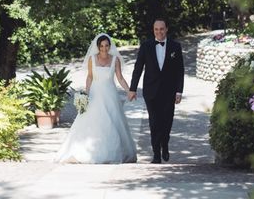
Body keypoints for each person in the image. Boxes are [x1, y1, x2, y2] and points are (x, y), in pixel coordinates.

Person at [55, 33, 137, 163]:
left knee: (113, 122)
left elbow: (120, 78)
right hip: (94, 94)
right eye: (102, 46)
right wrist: (86, 95)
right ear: (98, 47)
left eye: (106, 46)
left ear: (110, 46)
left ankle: (113, 153)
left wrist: (129, 91)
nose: (104, 48)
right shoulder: (92, 59)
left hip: (110, 95)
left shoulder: (115, 59)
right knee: (92, 121)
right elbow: (90, 77)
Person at [128, 18, 185, 164]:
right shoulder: (146, 46)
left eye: (161, 29)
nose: (159, 32)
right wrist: (132, 88)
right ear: (153, 30)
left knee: (167, 122)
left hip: (169, 91)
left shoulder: (175, 46)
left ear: (166, 29)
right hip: (151, 91)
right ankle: (156, 154)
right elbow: (138, 68)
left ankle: (164, 144)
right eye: (156, 29)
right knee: (154, 122)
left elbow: (180, 70)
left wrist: (179, 91)